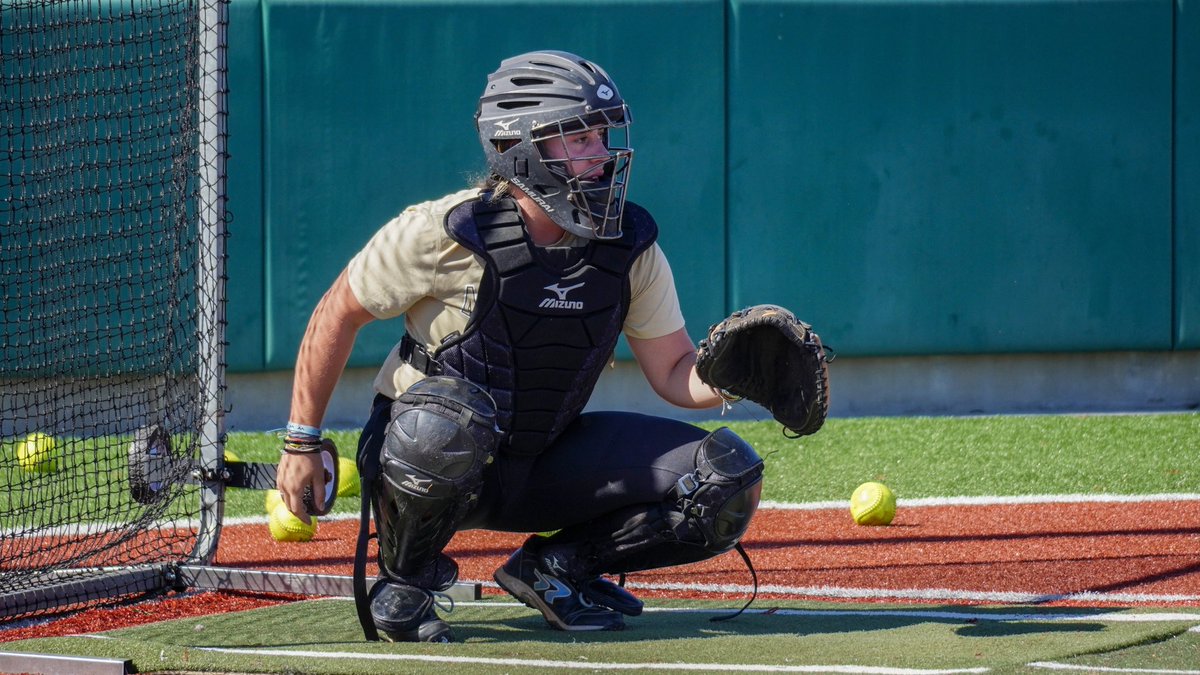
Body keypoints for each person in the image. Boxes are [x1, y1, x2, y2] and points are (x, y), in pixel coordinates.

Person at [275, 50, 765, 643]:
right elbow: (335, 314)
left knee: (725, 477)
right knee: (446, 419)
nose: (602, 154)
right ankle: (404, 581)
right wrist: (301, 440)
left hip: (543, 457)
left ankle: (557, 569)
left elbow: (674, 371)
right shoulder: (441, 231)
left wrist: (738, 373)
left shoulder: (630, 245)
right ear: (520, 148)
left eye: (602, 136)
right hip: (428, 458)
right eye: (579, 137)